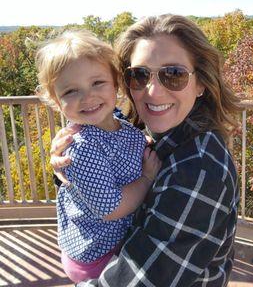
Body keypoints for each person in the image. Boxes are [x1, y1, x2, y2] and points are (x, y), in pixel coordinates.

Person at [50, 15, 240, 287]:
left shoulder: (199, 170)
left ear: (201, 84)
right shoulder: (148, 127)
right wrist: (66, 167)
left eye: (173, 75)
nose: (153, 91)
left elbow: (140, 280)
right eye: (139, 75)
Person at [35, 29, 161, 283]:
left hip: (115, 243)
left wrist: (143, 144)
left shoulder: (118, 123)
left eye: (97, 83)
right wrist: (147, 178)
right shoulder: (81, 148)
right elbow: (112, 208)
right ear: (57, 102)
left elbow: (127, 145)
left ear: (115, 83)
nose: (87, 96)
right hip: (97, 255)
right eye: (71, 91)